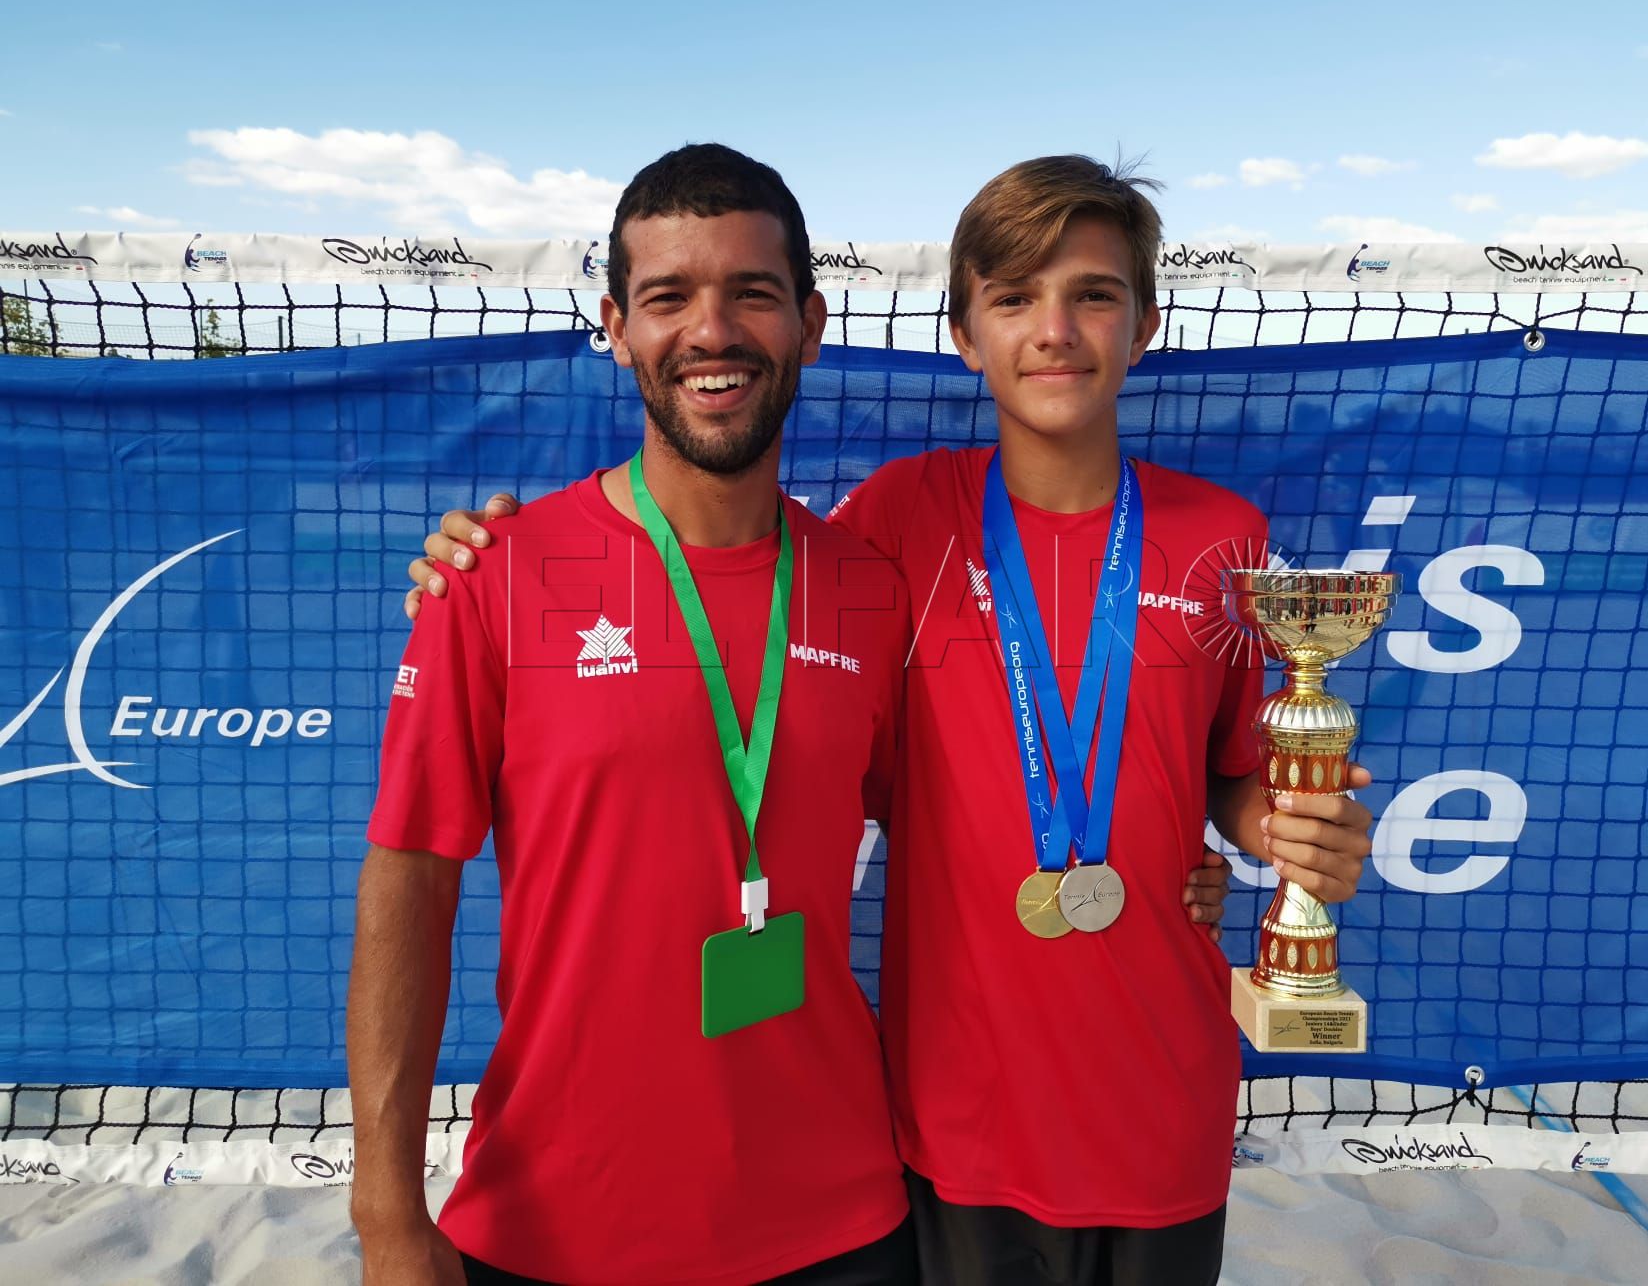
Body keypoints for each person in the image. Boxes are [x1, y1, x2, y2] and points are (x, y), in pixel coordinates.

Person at [407, 155, 1374, 1285]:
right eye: (1015, 299)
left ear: (1145, 322)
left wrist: (1281, 829)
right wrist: (486, 556)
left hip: (1165, 1102)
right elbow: (728, 599)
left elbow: (1217, 771)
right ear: (965, 334)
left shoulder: (1225, 535)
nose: (1055, 331)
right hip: (955, 1120)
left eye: (1094, 295)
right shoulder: (897, 525)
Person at [349, 144, 920, 1286]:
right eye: (668, 297)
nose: (712, 331)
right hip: (556, 1223)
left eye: (752, 293)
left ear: (808, 320)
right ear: (616, 324)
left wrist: (1191, 860)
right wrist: (386, 1215)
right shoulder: (495, 576)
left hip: (843, 1223)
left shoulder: (869, 587)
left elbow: (963, 849)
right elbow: (410, 878)